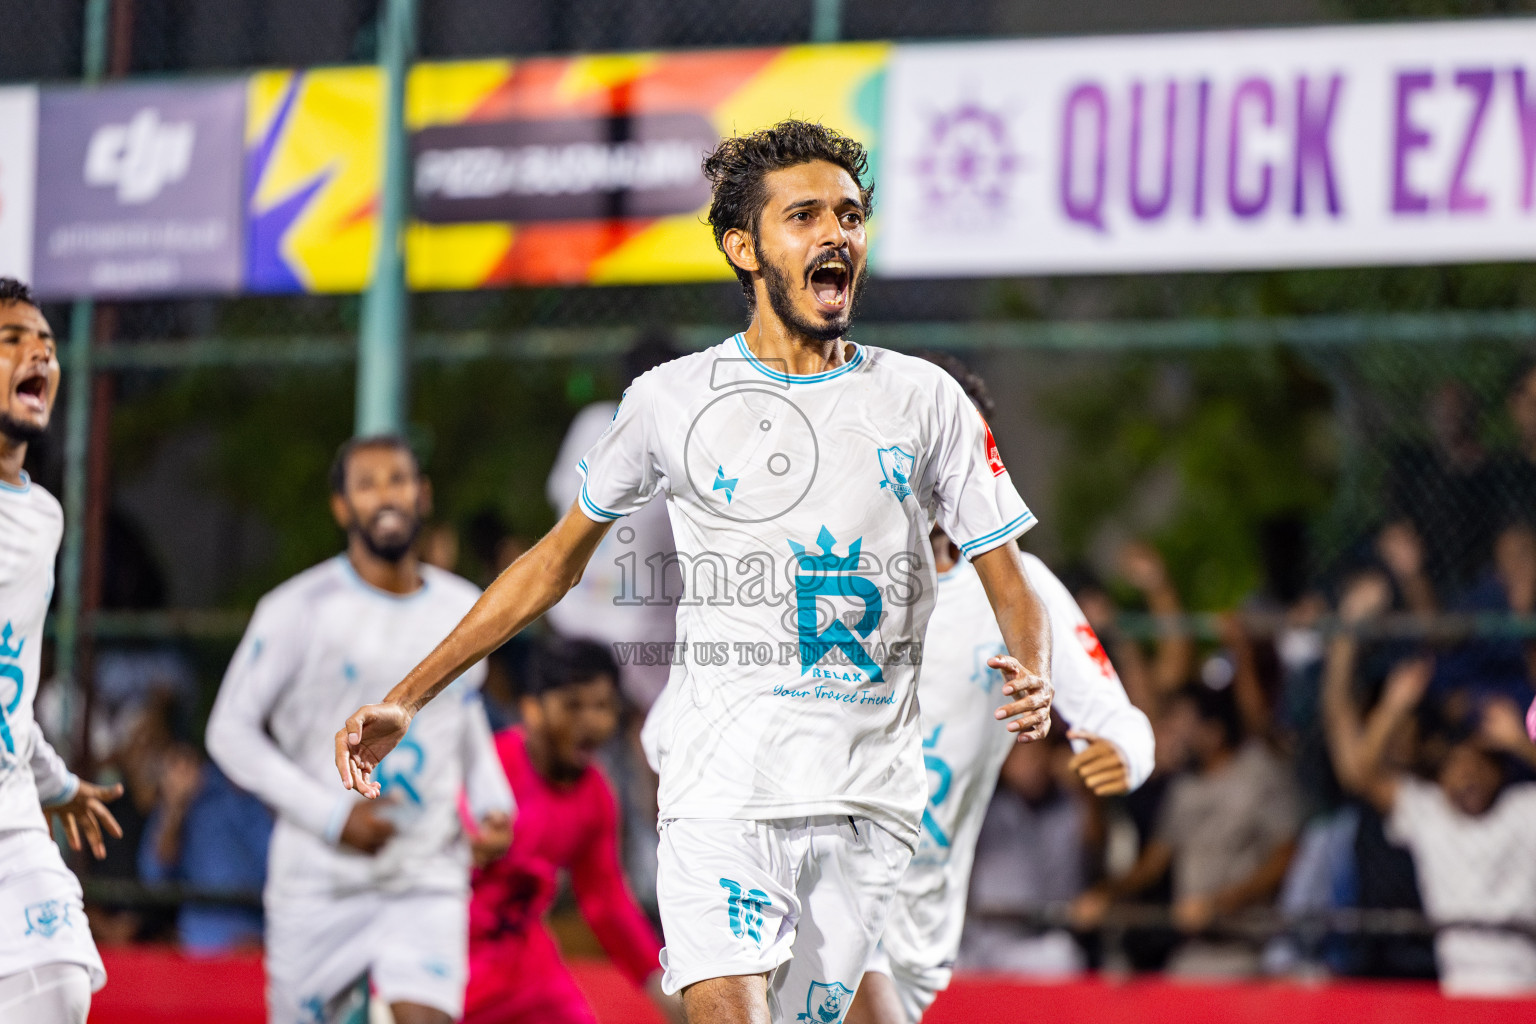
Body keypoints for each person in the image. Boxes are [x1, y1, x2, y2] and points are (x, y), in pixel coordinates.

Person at [337, 120, 1056, 1024]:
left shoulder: (925, 399)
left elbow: (1008, 574)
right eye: (806, 216)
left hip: (866, 798)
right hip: (720, 792)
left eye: (851, 214)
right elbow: (552, 565)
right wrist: (411, 694)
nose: (837, 233)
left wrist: (1031, 666)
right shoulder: (670, 399)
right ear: (743, 246)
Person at [842, 355, 1153, 1024]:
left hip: (921, 922)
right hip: (818, 886)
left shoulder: (1023, 590)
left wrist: (1125, 752)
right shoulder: (825, 572)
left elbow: (1119, 719)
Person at [208, 435, 513, 1024]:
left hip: (427, 876)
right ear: (342, 508)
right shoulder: (297, 608)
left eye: (397, 480)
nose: (385, 496)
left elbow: (464, 711)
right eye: (366, 484)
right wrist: (333, 816)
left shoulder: (464, 606)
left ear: (422, 495)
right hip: (320, 885)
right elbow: (229, 732)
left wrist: (493, 803)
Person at [0, 277, 124, 1023]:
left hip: (11, 807)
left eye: (46, 343)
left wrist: (52, 780)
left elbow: (11, 683)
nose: (38, 351)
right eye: (12, 339)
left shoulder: (43, 516)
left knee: (59, 985)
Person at [465, 639, 681, 1024]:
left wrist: (669, 994)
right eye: (573, 705)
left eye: (602, 706)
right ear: (531, 708)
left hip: (526, 968)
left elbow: (607, 902)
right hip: (447, 964)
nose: (592, 722)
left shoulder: (596, 797)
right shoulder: (490, 769)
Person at [1328, 652, 1536, 996]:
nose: (1467, 775)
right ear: (1440, 776)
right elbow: (1359, 776)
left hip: (1527, 992)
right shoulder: (1428, 813)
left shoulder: (1523, 808)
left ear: (1498, 771)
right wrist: (1393, 708)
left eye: (1478, 764)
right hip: (1458, 995)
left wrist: (1518, 743)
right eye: (1456, 766)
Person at [1072, 683, 1300, 977]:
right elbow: (1153, 863)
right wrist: (1106, 894)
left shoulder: (1259, 774)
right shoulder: (1183, 788)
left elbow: (1286, 855)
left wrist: (1223, 903)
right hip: (1191, 950)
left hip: (1247, 950)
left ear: (1214, 732)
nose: (1176, 732)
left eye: (1184, 723)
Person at [138, 743, 273, 954]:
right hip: (198, 946)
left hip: (255, 940)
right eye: (172, 769)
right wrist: (174, 809)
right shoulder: (173, 811)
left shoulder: (249, 800)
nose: (178, 776)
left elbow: (273, 870)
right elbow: (154, 878)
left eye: (184, 766)